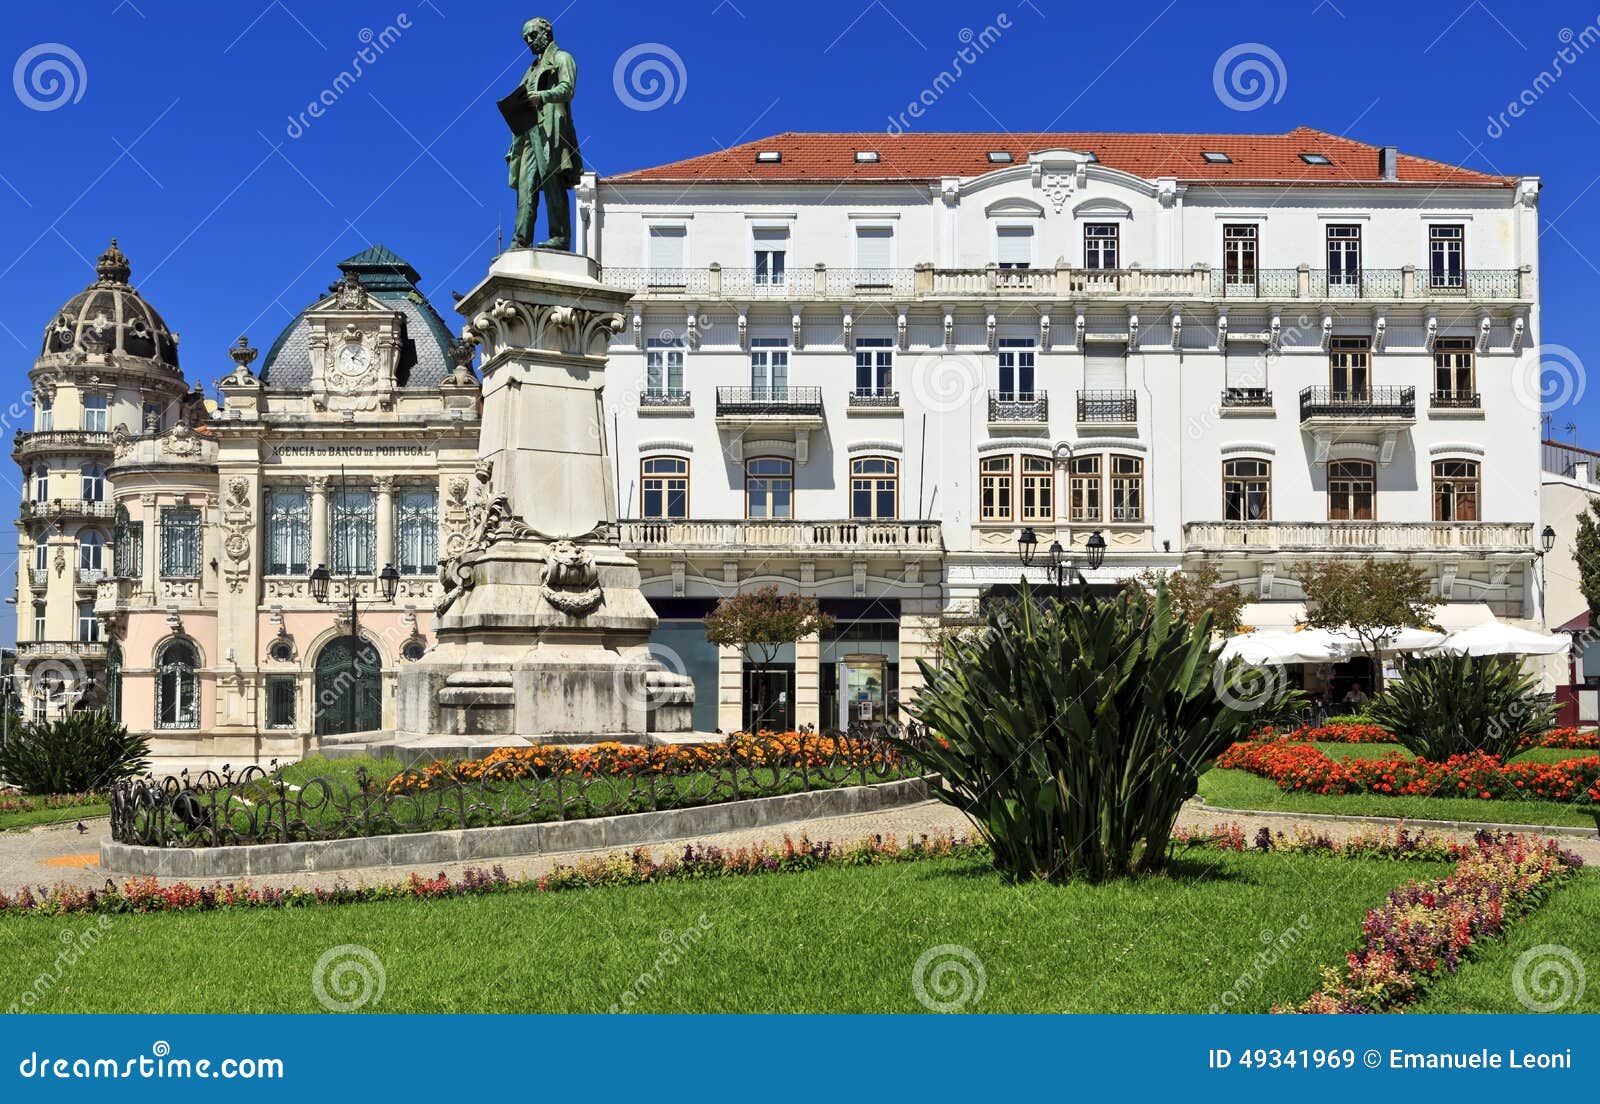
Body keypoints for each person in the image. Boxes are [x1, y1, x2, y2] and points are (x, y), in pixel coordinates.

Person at [505, 17, 583, 250]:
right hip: (528, 133)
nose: (529, 41)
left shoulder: (561, 58)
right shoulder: (530, 70)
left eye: (532, 35)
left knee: (552, 182)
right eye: (525, 38)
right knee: (525, 188)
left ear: (546, 33)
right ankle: (520, 240)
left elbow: (567, 88)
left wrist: (543, 96)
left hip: (550, 129)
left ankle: (559, 237)